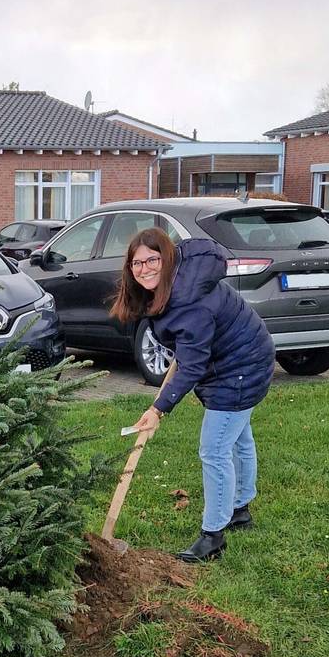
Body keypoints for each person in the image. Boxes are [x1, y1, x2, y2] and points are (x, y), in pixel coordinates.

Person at [111, 229, 275, 564]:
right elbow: (191, 348)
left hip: (242, 367)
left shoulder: (188, 301)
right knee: (239, 437)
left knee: (214, 449)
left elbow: (193, 365)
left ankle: (213, 536)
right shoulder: (177, 282)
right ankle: (239, 509)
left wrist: (158, 409)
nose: (144, 268)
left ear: (167, 257)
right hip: (243, 354)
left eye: (152, 260)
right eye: (137, 263)